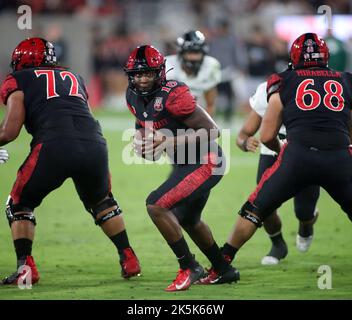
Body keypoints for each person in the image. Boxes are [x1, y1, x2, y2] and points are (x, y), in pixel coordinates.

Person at [201, 32, 352, 283]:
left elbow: (268, 134)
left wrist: (286, 154)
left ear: (293, 57)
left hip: (298, 155)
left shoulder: (283, 81)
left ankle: (221, 266)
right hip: (339, 156)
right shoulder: (345, 80)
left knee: (253, 209)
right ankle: (282, 241)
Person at [0, 37, 140, 285]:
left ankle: (25, 269)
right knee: (102, 202)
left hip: (53, 145)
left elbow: (9, 132)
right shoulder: (74, 77)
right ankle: (128, 257)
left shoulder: (19, 79)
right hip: (94, 145)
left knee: (19, 204)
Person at [124, 44, 239, 291]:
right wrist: (141, 144)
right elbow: (144, 129)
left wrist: (167, 140)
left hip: (206, 160)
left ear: (160, 72)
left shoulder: (173, 94)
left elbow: (212, 131)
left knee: (156, 204)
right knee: (189, 219)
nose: (142, 79)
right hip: (184, 163)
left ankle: (190, 267)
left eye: (148, 73)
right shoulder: (132, 95)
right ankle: (223, 269)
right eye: (137, 74)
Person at [236, 78, 320, 265]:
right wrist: (245, 142)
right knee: (264, 206)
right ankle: (278, 244)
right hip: (272, 151)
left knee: (304, 211)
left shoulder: (318, 87)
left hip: (306, 150)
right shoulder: (270, 88)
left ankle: (306, 225)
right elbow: (243, 134)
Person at [165, 30, 221, 118]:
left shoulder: (210, 65)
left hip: (196, 111)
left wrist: (206, 125)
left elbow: (210, 104)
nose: (194, 57)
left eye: (197, 52)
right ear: (181, 53)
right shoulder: (167, 65)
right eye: (190, 52)